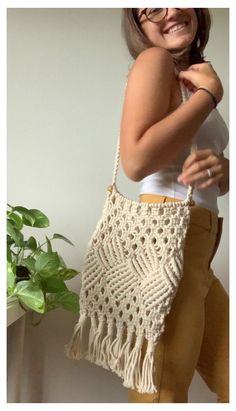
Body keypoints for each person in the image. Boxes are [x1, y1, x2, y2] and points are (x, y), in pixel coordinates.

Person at [120, 8, 229, 403]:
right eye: (153, 7)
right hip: (168, 239)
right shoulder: (155, 60)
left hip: (195, 247)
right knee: (161, 391)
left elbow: (208, 175)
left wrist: (223, 168)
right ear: (138, 22)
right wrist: (210, 94)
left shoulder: (190, 73)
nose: (172, 11)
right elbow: (134, 161)